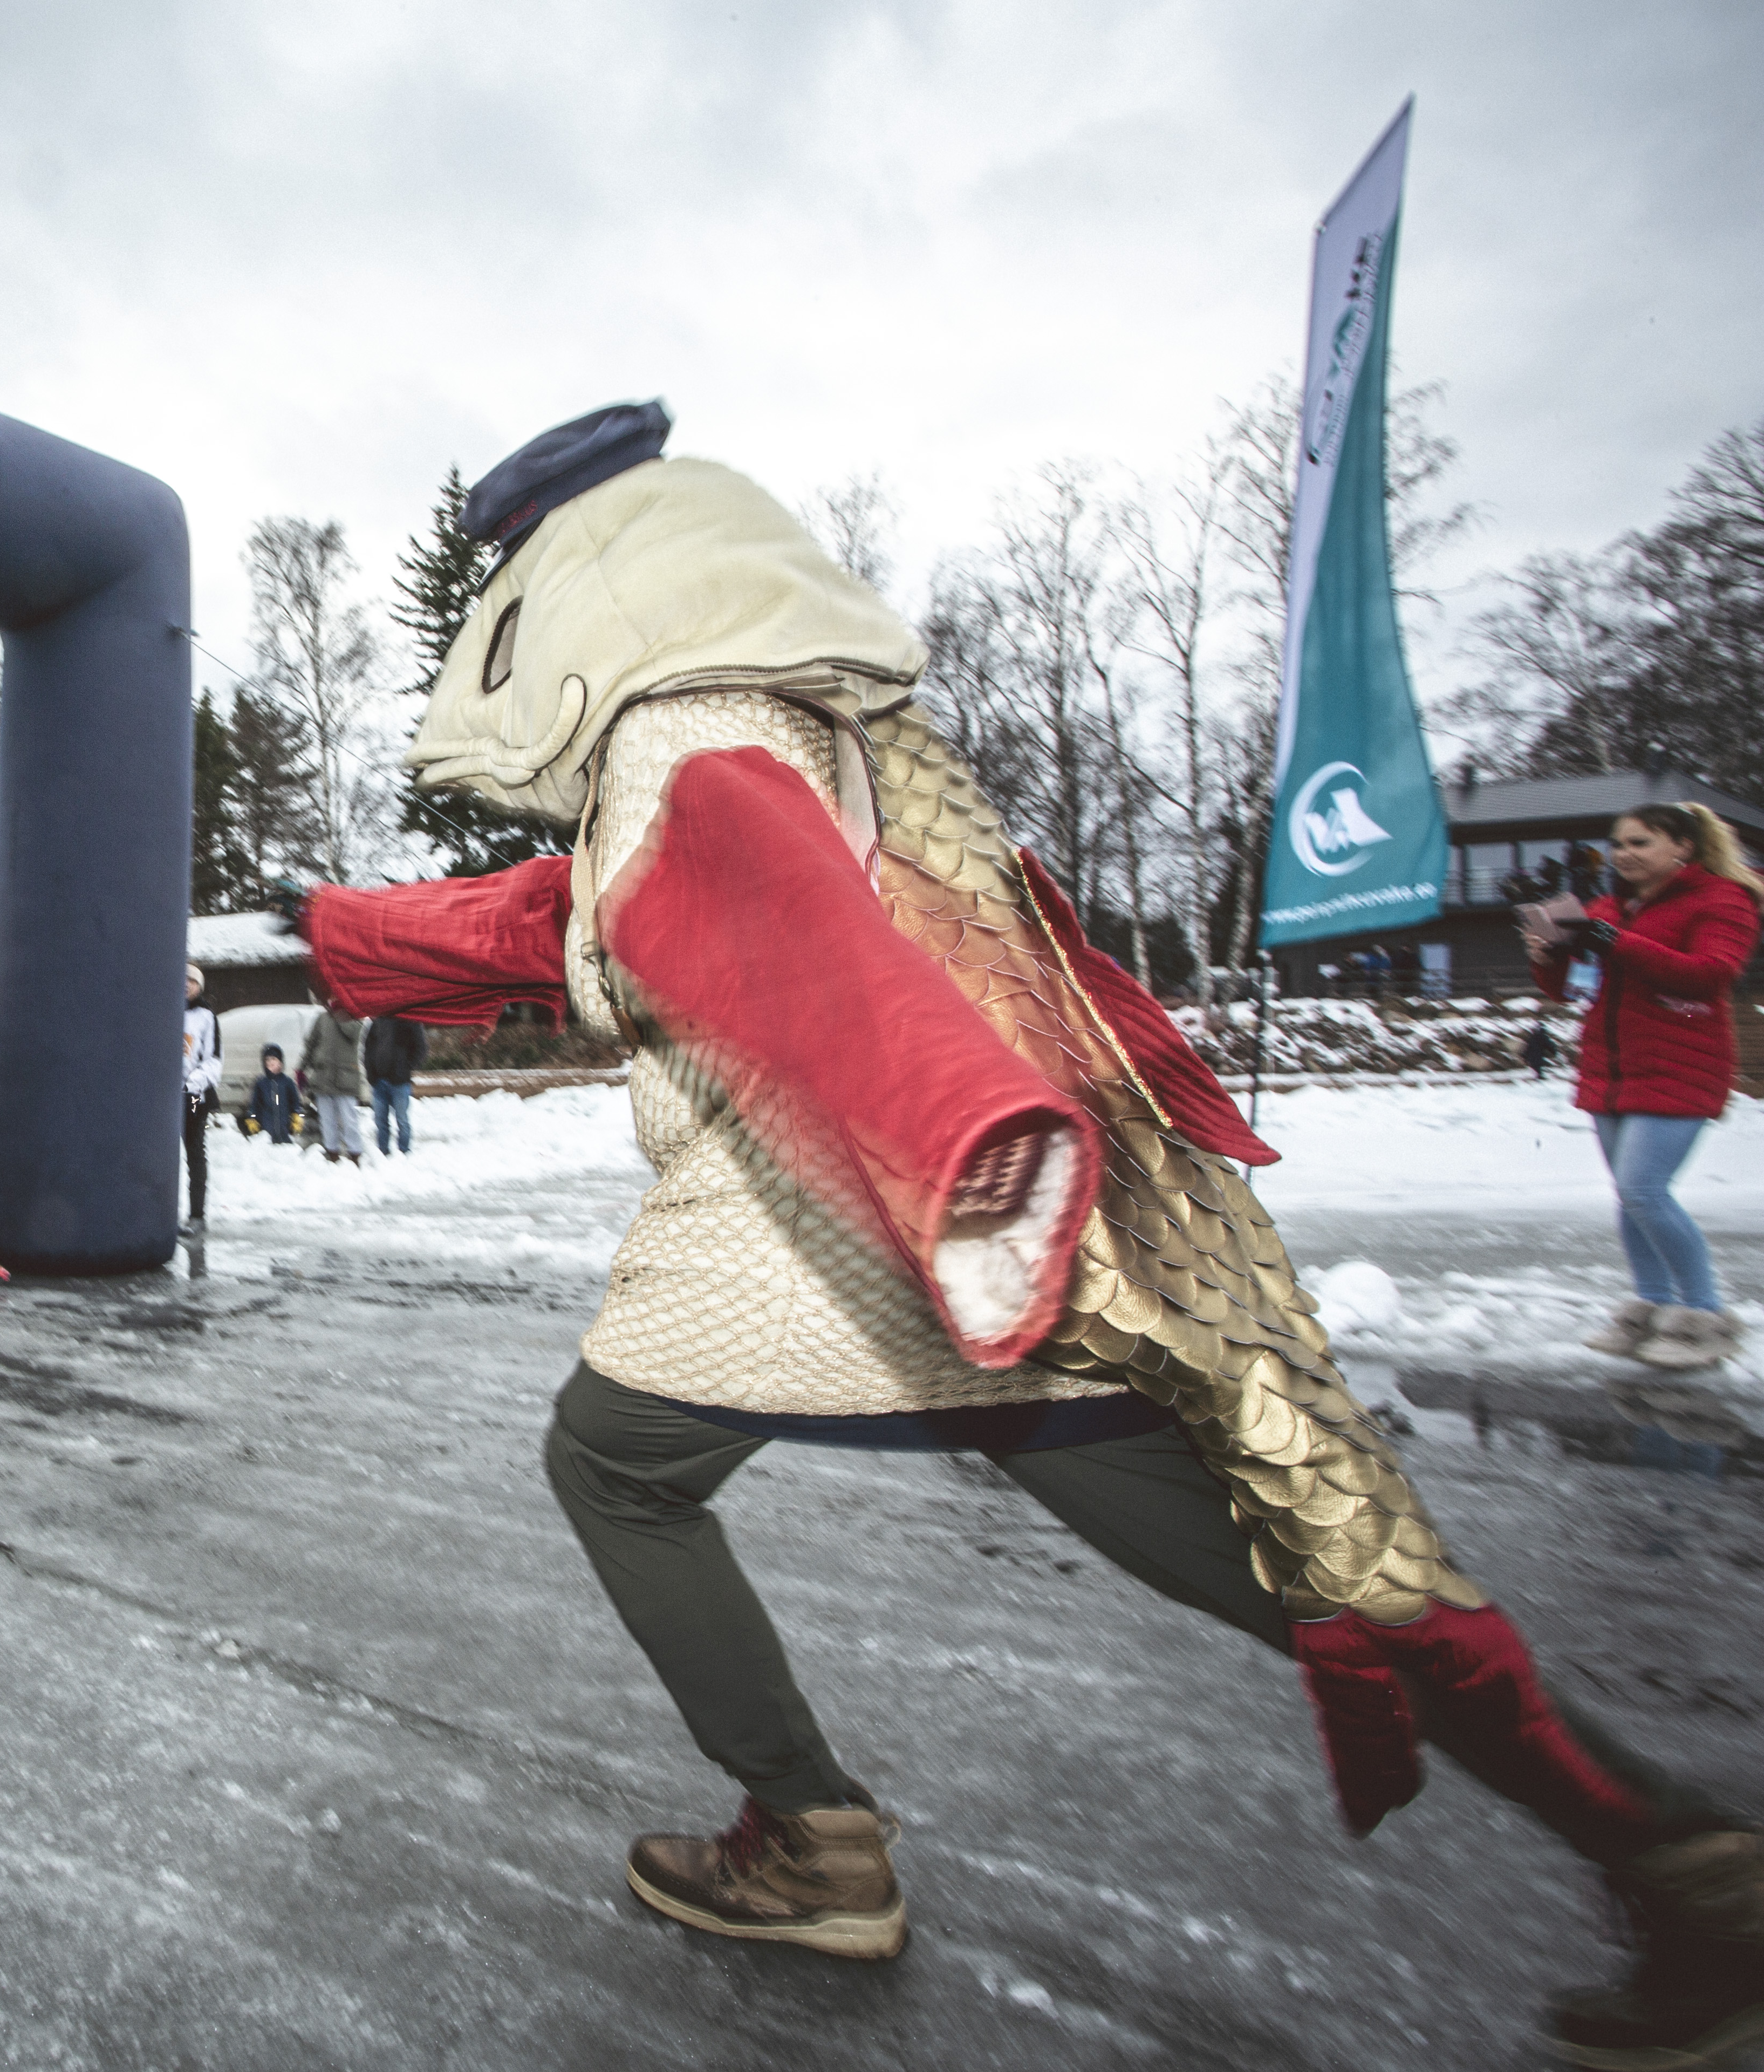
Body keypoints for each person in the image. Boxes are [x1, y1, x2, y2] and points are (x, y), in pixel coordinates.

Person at [288, 410, 1756, 2066]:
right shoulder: (791, 717)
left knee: (613, 1462)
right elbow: (579, 913)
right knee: (1290, 1562)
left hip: (875, 1215)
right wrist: (336, 934)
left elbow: (799, 939)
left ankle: (810, 1838)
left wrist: (969, 1165)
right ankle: (1674, 1848)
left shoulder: (690, 742)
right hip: (1005, 1242)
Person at [1526, 803, 1764, 1373]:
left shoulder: (1722, 899)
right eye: (1619, 844)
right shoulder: (1609, 906)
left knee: (1645, 1189)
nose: (1625, 854)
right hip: (1613, 1068)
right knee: (1630, 1194)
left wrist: (1615, 941)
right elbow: (1573, 988)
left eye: (1640, 843)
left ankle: (1705, 1316)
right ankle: (1652, 1306)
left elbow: (1709, 975)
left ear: (1682, 848)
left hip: (1682, 1063)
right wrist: (1546, 956)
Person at [300, 992, 367, 1165]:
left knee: (349, 1120)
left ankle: (355, 1154)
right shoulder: (322, 1018)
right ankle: (332, 1152)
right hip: (323, 1078)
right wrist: (301, 1068)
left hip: (346, 1078)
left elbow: (354, 1034)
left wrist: (340, 1014)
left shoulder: (354, 1016)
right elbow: (311, 1045)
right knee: (327, 1120)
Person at [179, 963, 220, 1227]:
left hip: (194, 1096)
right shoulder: (167, 1011)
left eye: (192, 981)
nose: (186, 985)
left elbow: (214, 1059)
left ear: (199, 986)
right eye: (182, 980)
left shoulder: (207, 1017)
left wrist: (195, 1082)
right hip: (167, 1095)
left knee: (194, 1151)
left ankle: (197, 1215)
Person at [363, 1011, 424, 1156]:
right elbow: (367, 1050)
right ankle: (383, 1153)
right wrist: (371, 1074)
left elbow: (421, 1049)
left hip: (400, 1082)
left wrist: (406, 1067)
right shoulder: (377, 1022)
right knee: (380, 1121)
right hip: (379, 1081)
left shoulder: (410, 1022)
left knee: (402, 1120)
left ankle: (404, 1152)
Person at [249, 1044, 300, 1144]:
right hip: (266, 1129)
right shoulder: (261, 1083)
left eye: (273, 1059)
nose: (270, 1062)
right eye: (267, 1060)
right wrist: (252, 1118)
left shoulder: (287, 1082)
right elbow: (255, 1104)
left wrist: (297, 1115)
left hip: (285, 1129)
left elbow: (295, 1101)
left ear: (280, 1062)